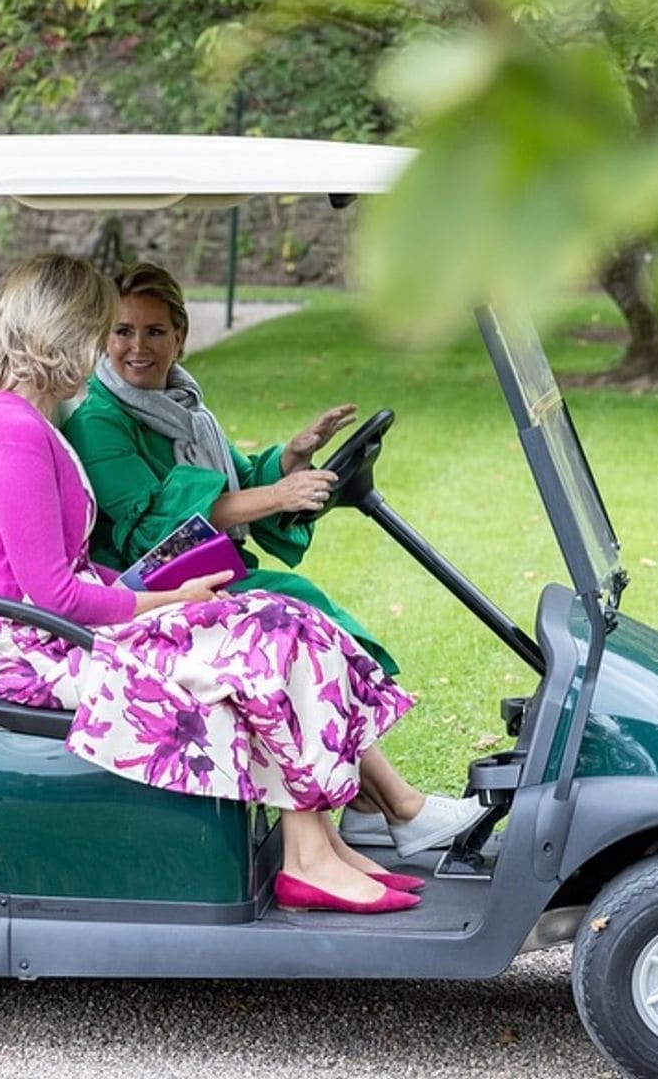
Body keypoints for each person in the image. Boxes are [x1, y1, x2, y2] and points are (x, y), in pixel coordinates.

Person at [0, 252, 427, 914]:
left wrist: (160, 591)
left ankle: (319, 846)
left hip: (58, 629)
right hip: (32, 650)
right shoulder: (13, 435)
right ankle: (313, 856)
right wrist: (169, 600)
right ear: (63, 333)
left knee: (282, 620)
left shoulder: (30, 425)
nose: (105, 349)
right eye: (99, 330)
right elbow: (54, 596)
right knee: (267, 642)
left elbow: (71, 575)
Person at [61, 262, 485, 858]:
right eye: (123, 332)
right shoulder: (101, 420)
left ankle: (368, 805)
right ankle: (396, 806)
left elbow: (232, 477)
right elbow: (157, 529)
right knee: (298, 620)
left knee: (308, 613)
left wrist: (288, 459)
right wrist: (276, 496)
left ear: (180, 336)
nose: (137, 347)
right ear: (102, 338)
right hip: (153, 590)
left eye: (155, 332)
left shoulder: (183, 407)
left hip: (204, 577)